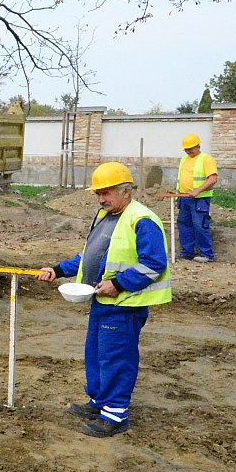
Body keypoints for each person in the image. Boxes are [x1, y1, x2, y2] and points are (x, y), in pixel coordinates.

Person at [39, 162, 171, 438]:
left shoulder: (141, 220)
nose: (100, 199)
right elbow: (90, 256)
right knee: (97, 355)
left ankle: (115, 415)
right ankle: (99, 402)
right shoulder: (106, 217)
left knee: (116, 358)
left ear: (126, 191)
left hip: (125, 305)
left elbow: (154, 264)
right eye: (98, 193)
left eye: (106, 193)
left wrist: (119, 284)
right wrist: (58, 270)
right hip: (103, 302)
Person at [176, 133, 218, 263]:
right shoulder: (184, 159)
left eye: (191, 148)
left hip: (200, 199)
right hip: (184, 198)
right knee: (184, 225)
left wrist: (197, 191)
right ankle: (187, 252)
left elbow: (213, 179)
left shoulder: (206, 159)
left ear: (198, 146)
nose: (188, 151)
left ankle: (207, 254)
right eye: (186, 149)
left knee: (200, 226)